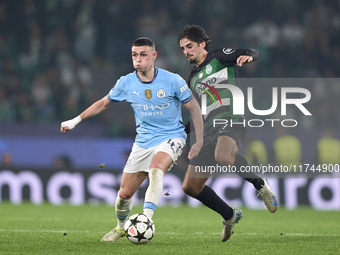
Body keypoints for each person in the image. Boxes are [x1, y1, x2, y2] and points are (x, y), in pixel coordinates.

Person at [60, 37, 204, 242]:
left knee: (156, 168)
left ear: (154, 56)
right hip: (143, 141)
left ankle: (146, 220)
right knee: (125, 194)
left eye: (143, 54)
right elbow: (103, 103)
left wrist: (198, 141)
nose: (138, 59)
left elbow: (195, 108)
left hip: (172, 136)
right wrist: (75, 120)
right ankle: (120, 228)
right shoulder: (126, 82)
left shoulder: (173, 80)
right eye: (135, 55)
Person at [178, 25, 278, 242]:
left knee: (223, 156)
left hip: (232, 118)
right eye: (183, 48)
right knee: (190, 187)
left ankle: (260, 185)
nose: (186, 51)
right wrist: (178, 130)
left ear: (202, 44)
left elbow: (251, 52)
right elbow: (199, 114)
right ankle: (230, 215)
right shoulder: (193, 77)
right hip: (208, 129)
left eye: (189, 46)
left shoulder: (219, 57)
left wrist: (248, 58)